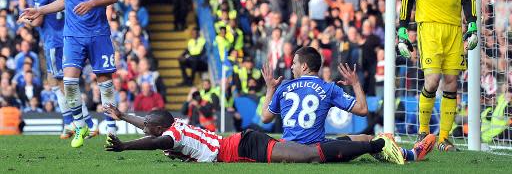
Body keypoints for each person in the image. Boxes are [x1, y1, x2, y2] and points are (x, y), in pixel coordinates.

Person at [22, 0, 119, 148]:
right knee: (69, 82)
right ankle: (80, 124)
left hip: (98, 34)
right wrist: (40, 10)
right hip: (72, 35)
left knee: (105, 82)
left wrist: (93, 3)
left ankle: (112, 129)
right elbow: (65, 1)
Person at [104, 105, 433, 165]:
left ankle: (377, 143)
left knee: (307, 156)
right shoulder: (172, 123)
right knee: (312, 150)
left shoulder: (169, 136)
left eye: (146, 123)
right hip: (243, 141)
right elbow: (151, 128)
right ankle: (367, 141)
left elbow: (154, 140)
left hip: (245, 146)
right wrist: (123, 116)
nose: (143, 125)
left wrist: (125, 147)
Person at [397, 0, 478, 152]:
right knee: (432, 81)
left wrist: (472, 25)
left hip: (453, 30)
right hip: (429, 29)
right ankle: (423, 132)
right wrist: (402, 29)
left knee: (452, 83)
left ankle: (444, 138)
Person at [19, 0, 97, 139]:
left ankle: (89, 123)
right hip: (61, 39)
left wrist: (24, 21)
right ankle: (69, 123)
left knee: (63, 84)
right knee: (53, 82)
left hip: (55, 41)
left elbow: (38, 20)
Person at [260, 46, 367, 144]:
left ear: (304, 67)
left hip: (288, 148)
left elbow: (265, 118)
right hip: (316, 150)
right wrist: (356, 83)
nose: (292, 67)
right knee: (364, 138)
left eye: (294, 63)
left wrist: (270, 88)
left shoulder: (284, 87)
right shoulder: (329, 88)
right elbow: (362, 110)